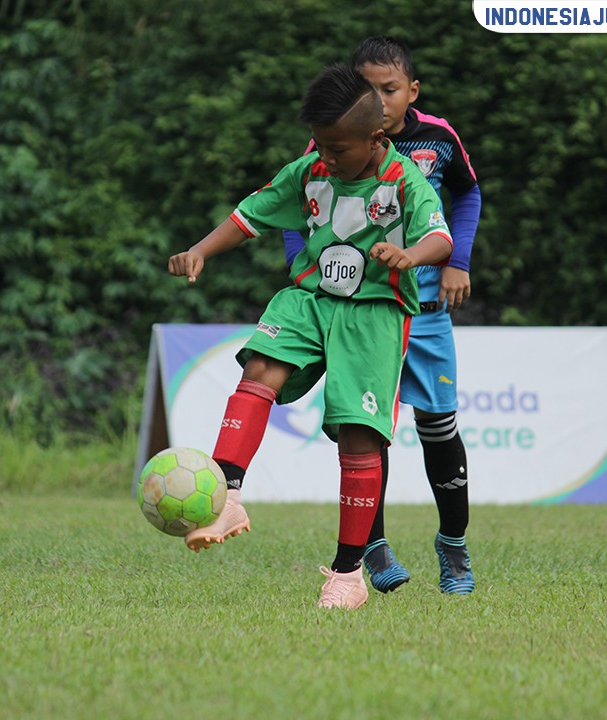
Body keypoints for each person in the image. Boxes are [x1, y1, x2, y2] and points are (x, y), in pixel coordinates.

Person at [169, 64, 453, 610]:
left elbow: (438, 237)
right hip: (310, 299)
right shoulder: (311, 169)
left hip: (374, 314)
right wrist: (202, 249)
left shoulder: (404, 182)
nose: (327, 158)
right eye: (320, 146)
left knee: (358, 437)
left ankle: (347, 576)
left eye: (338, 149)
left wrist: (409, 255)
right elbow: (252, 214)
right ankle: (227, 493)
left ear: (377, 138)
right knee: (259, 369)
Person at [284, 37, 482, 596]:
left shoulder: (437, 139)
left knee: (439, 425)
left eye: (389, 89)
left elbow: (467, 197)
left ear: (412, 91)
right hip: (359, 312)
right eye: (366, 88)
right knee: (364, 429)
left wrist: (457, 262)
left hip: (422, 310)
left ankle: (454, 547)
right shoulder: (333, 139)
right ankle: (371, 547)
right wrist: (303, 271)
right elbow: (294, 206)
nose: (378, 99)